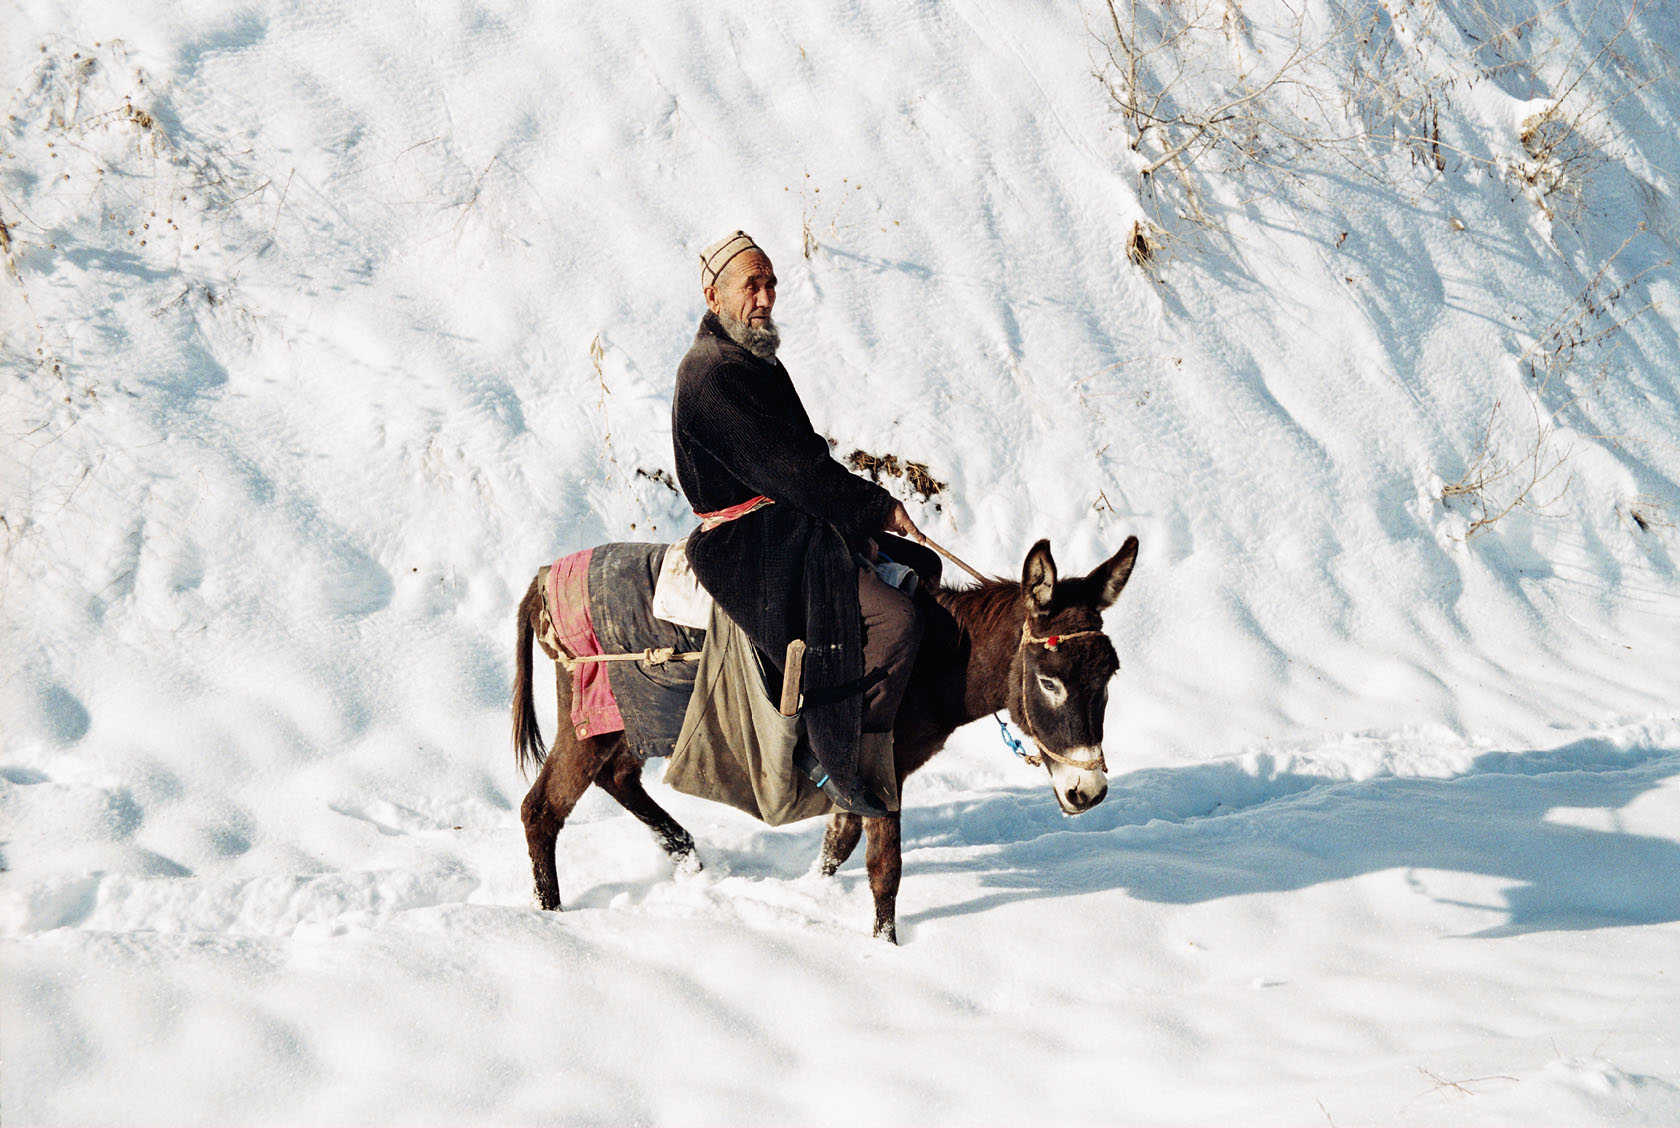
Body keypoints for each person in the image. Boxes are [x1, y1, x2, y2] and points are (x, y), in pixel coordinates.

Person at [672, 230, 923, 818]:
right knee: (895, 619)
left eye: (771, 285)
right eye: (750, 286)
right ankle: (833, 754)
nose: (764, 298)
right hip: (747, 540)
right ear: (714, 296)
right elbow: (788, 470)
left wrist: (856, 515)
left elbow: (807, 456)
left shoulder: (754, 360)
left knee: (922, 567)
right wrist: (872, 507)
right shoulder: (711, 373)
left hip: (783, 518)